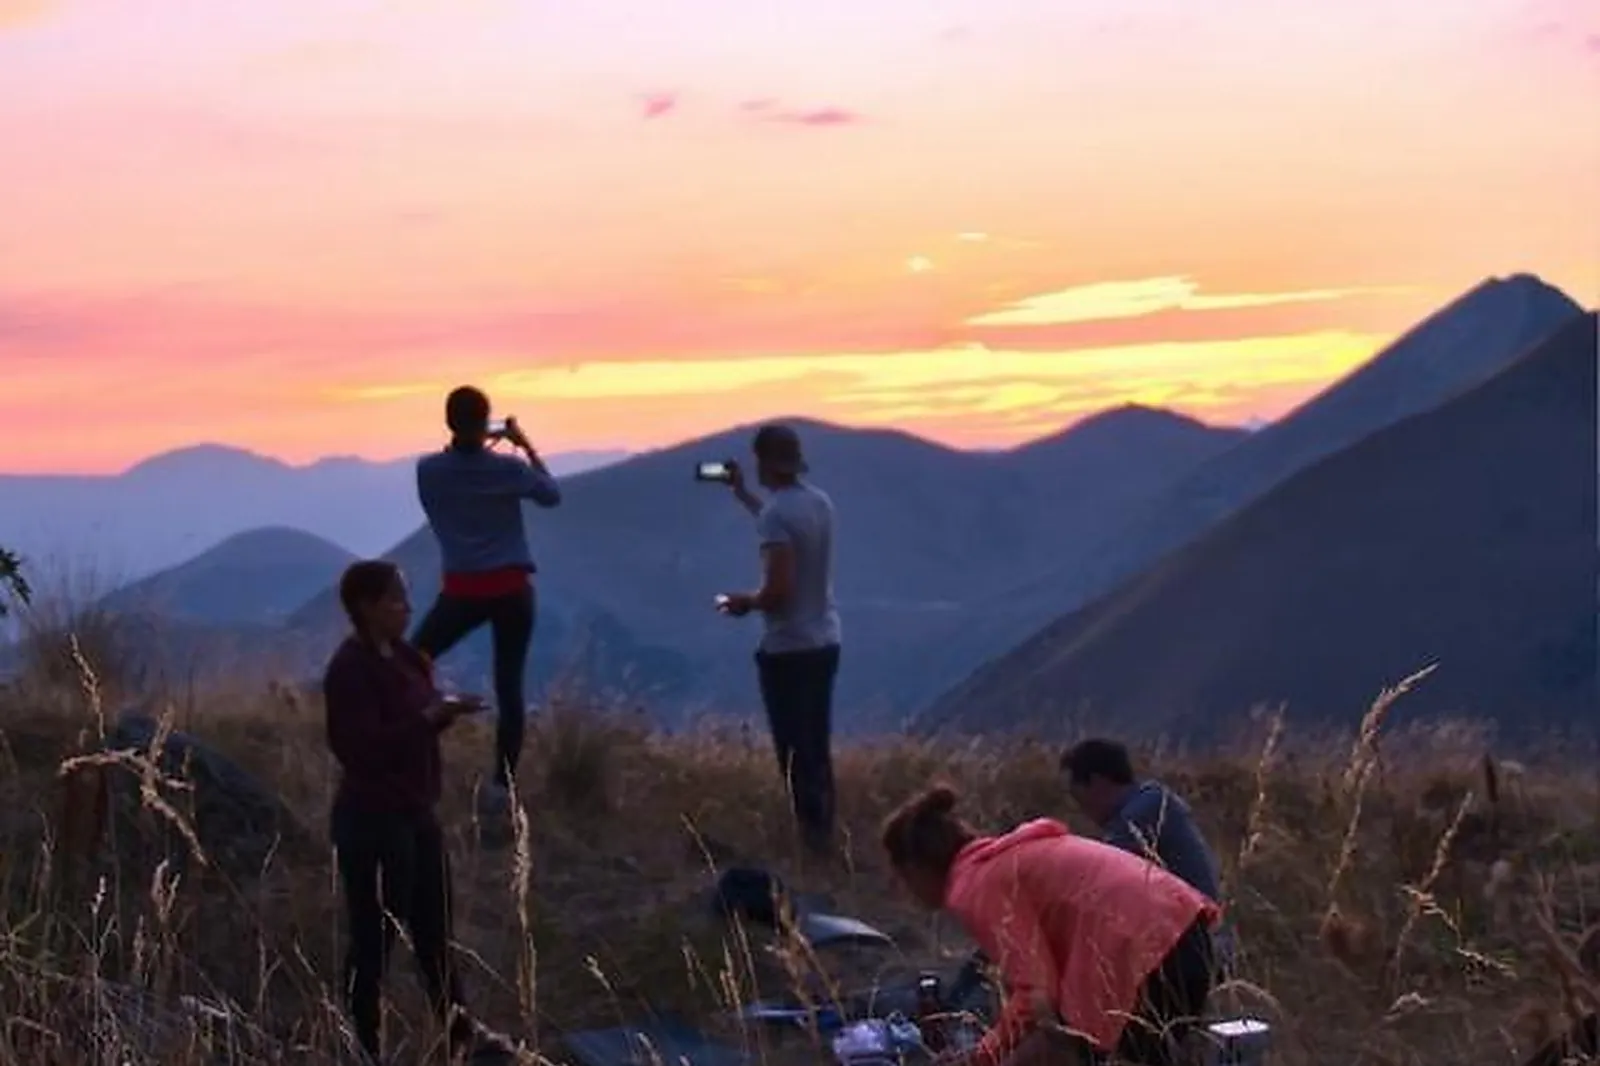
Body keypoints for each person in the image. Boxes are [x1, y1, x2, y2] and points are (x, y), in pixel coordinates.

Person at [881, 786, 1218, 1066]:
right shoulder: (1003, 861)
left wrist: (980, 1059)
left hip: (1145, 951)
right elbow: (1047, 1004)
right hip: (1183, 930)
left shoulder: (973, 886)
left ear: (916, 866)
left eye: (901, 878)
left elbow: (1036, 996)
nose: (904, 891)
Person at [323, 559, 498, 1063]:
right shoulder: (350, 669)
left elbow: (414, 725)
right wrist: (428, 718)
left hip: (417, 814)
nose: (408, 608)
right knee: (374, 942)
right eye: (396, 600)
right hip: (372, 822)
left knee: (434, 934)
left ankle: (462, 1038)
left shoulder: (404, 657)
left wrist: (442, 713)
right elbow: (360, 750)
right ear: (366, 607)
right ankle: (363, 1047)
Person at [413, 385, 561, 817]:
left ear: (449, 421)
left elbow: (449, 482)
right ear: (486, 421)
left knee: (413, 658)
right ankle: (502, 785)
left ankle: (412, 738)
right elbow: (551, 494)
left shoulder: (429, 470)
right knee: (509, 685)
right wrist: (523, 445)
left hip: (462, 590)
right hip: (512, 589)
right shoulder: (508, 469)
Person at [715, 423, 841, 858]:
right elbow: (787, 531)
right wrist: (744, 497)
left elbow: (778, 591)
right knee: (816, 741)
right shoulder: (818, 502)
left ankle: (813, 843)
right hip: (825, 639)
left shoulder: (776, 515)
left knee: (793, 748)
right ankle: (824, 832)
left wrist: (743, 603)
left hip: (789, 646)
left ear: (764, 461)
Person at [1060, 738, 1235, 969]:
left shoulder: (1140, 816)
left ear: (1097, 782)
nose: (1083, 811)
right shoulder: (1153, 801)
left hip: (1194, 951)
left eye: (1079, 798)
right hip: (1205, 942)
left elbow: (1097, 887)